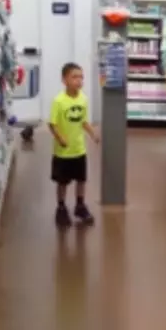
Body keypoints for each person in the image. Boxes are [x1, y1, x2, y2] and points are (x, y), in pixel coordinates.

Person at [49, 62, 99, 226]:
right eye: (74, 77)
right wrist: (60, 138)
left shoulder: (83, 99)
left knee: (81, 180)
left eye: (81, 77)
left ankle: (80, 205)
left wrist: (92, 133)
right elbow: (52, 124)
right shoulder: (59, 101)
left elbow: (83, 121)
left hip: (79, 149)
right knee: (62, 182)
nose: (79, 81)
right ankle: (61, 208)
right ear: (64, 80)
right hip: (63, 152)